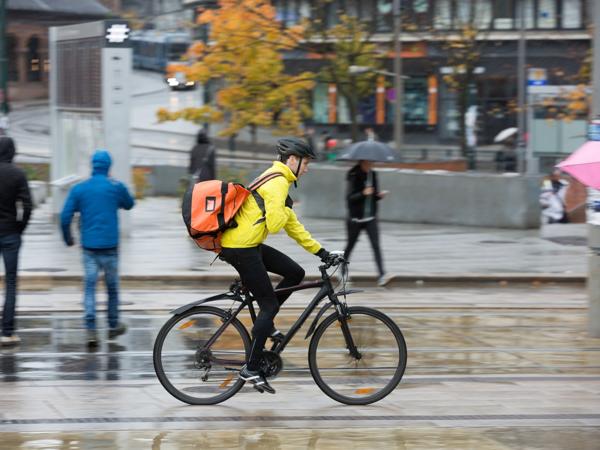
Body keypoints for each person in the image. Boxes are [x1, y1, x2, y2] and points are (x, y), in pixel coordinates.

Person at [218, 137, 335, 394]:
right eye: (306, 163)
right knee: (269, 304)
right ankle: (251, 368)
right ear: (292, 159)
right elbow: (275, 224)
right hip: (241, 247)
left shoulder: (278, 180)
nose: (307, 168)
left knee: (295, 272)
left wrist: (321, 252)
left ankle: (265, 322)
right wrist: (284, 207)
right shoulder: (278, 182)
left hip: (247, 243)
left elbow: (292, 225)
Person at [60, 150, 135, 347]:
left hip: (89, 248)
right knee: (112, 288)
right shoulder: (115, 186)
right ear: (108, 166)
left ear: (92, 166)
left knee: (90, 287)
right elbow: (129, 203)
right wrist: (116, 187)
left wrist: (68, 238)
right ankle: (112, 325)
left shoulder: (80, 189)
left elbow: (64, 216)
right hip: (110, 247)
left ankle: (91, 329)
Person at [0, 137, 32, 346]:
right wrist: (20, 227)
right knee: (11, 282)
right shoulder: (18, 174)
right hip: (11, 233)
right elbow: (28, 205)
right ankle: (7, 331)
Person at [344, 160, 390, 287]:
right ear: (362, 161)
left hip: (370, 218)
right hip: (355, 219)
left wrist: (378, 195)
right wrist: (363, 193)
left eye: (372, 163)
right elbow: (349, 198)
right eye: (368, 162)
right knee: (350, 246)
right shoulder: (353, 175)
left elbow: (373, 195)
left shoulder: (373, 174)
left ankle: (382, 275)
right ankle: (342, 272)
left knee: (376, 246)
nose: (370, 164)